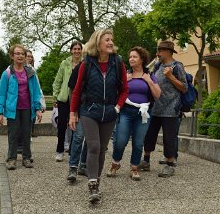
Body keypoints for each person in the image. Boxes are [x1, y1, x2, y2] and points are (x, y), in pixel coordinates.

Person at [69, 29, 128, 204]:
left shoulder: (117, 62)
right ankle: (92, 185)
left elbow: (125, 89)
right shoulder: (86, 63)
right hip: (89, 110)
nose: (110, 42)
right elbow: (77, 90)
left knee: (102, 148)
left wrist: (117, 107)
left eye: (112, 39)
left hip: (109, 112)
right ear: (97, 42)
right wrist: (73, 113)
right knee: (93, 146)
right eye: (107, 39)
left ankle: (97, 180)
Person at [107, 47, 161, 181]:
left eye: (134, 57)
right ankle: (115, 163)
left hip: (143, 113)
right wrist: (126, 80)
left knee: (138, 142)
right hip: (126, 111)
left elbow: (158, 95)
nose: (131, 59)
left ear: (142, 59)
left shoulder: (149, 75)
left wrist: (148, 81)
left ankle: (134, 168)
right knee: (120, 140)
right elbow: (114, 92)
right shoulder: (125, 74)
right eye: (130, 57)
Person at [138, 41, 188, 178]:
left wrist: (171, 77)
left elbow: (184, 88)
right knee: (149, 135)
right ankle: (146, 161)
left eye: (160, 50)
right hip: (156, 108)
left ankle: (170, 165)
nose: (157, 53)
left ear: (168, 51)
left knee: (169, 138)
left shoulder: (177, 66)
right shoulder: (158, 65)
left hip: (171, 108)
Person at [0, 44, 43, 170]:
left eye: (22, 54)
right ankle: (11, 159)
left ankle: (26, 158)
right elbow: (1, 94)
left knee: (27, 133)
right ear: (12, 56)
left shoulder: (31, 73)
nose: (20, 56)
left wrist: (38, 109)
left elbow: (36, 92)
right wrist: (0, 112)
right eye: (17, 53)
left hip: (27, 108)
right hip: (13, 109)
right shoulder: (6, 74)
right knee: (13, 134)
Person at [52, 41, 83, 162]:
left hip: (78, 100)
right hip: (64, 99)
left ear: (81, 50)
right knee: (62, 126)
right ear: (71, 50)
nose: (76, 51)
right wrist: (55, 97)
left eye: (78, 49)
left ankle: (72, 151)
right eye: (74, 49)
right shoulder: (64, 64)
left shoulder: (84, 63)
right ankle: (59, 150)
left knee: (76, 126)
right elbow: (58, 81)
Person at [66, 61, 88, 183]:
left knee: (90, 140)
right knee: (78, 137)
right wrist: (73, 112)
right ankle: (73, 167)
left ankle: (83, 165)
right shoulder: (81, 67)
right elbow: (73, 91)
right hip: (81, 109)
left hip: (95, 111)